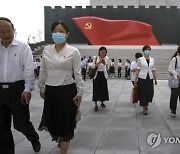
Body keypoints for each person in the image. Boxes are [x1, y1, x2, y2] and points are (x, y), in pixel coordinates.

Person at [38, 21, 84, 154]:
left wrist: (80, 91)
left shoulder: (73, 51)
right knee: (53, 121)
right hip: (51, 90)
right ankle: (59, 138)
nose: (58, 34)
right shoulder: (47, 49)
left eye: (61, 31)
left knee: (66, 124)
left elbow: (77, 72)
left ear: (67, 34)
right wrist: (41, 87)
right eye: (55, 31)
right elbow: (43, 70)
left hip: (67, 90)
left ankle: (63, 149)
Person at [0, 17, 40, 154]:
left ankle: (34, 137)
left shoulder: (23, 47)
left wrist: (28, 89)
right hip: (0, 91)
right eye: (2, 31)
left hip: (17, 90)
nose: (6, 34)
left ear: (13, 30)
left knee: (20, 123)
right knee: (2, 128)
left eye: (9, 30)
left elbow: (29, 69)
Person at [134, 45, 157, 115]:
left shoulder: (152, 59)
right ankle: (144, 107)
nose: (148, 51)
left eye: (149, 49)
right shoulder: (140, 59)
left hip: (149, 78)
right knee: (143, 93)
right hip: (142, 78)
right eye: (146, 49)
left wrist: (155, 79)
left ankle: (146, 103)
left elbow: (153, 70)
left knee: (150, 92)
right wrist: (135, 80)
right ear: (143, 51)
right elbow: (138, 70)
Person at [91, 46, 110, 111]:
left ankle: (102, 102)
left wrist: (105, 63)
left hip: (103, 75)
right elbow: (92, 66)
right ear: (99, 52)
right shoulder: (95, 58)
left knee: (103, 89)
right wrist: (98, 62)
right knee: (96, 89)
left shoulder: (107, 58)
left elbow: (108, 68)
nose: (102, 53)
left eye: (104, 52)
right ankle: (96, 104)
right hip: (97, 75)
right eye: (101, 52)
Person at [168, 49, 180, 117]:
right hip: (176, 79)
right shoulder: (174, 59)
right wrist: (177, 74)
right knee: (174, 96)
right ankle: (173, 110)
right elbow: (170, 69)